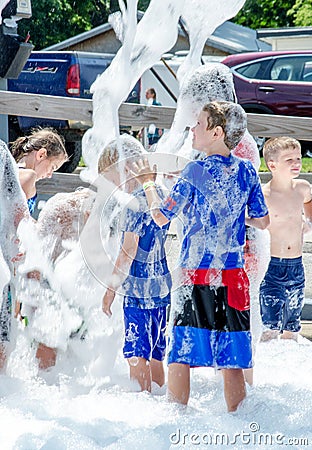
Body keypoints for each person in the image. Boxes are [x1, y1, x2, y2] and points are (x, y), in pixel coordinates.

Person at [131, 101, 269, 411]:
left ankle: (175, 428)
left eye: (199, 124)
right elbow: (262, 221)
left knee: (181, 353)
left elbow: (162, 217)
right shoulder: (246, 169)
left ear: (217, 132)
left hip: (196, 275)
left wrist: (148, 183)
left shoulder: (195, 169)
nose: (192, 129)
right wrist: (229, 216)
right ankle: (238, 429)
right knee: (233, 358)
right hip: (234, 276)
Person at [102, 136, 172, 393]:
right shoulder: (160, 193)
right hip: (162, 286)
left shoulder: (133, 203)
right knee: (156, 352)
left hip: (137, 290)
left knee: (136, 353)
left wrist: (109, 291)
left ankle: (144, 410)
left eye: (112, 179)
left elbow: (128, 251)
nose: (114, 188)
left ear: (125, 168)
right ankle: (161, 401)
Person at [260, 137, 312, 342]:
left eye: (298, 158)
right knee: (270, 325)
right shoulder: (264, 195)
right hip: (271, 266)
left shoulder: (302, 188)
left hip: (296, 264)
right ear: (272, 164)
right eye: (289, 159)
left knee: (293, 323)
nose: (297, 163)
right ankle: (266, 365)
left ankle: (289, 361)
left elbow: (309, 202)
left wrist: (308, 221)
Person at [10, 128, 68, 215]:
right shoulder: (28, 176)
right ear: (41, 155)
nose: (49, 175)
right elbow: (15, 220)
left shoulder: (13, 171)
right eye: (53, 167)